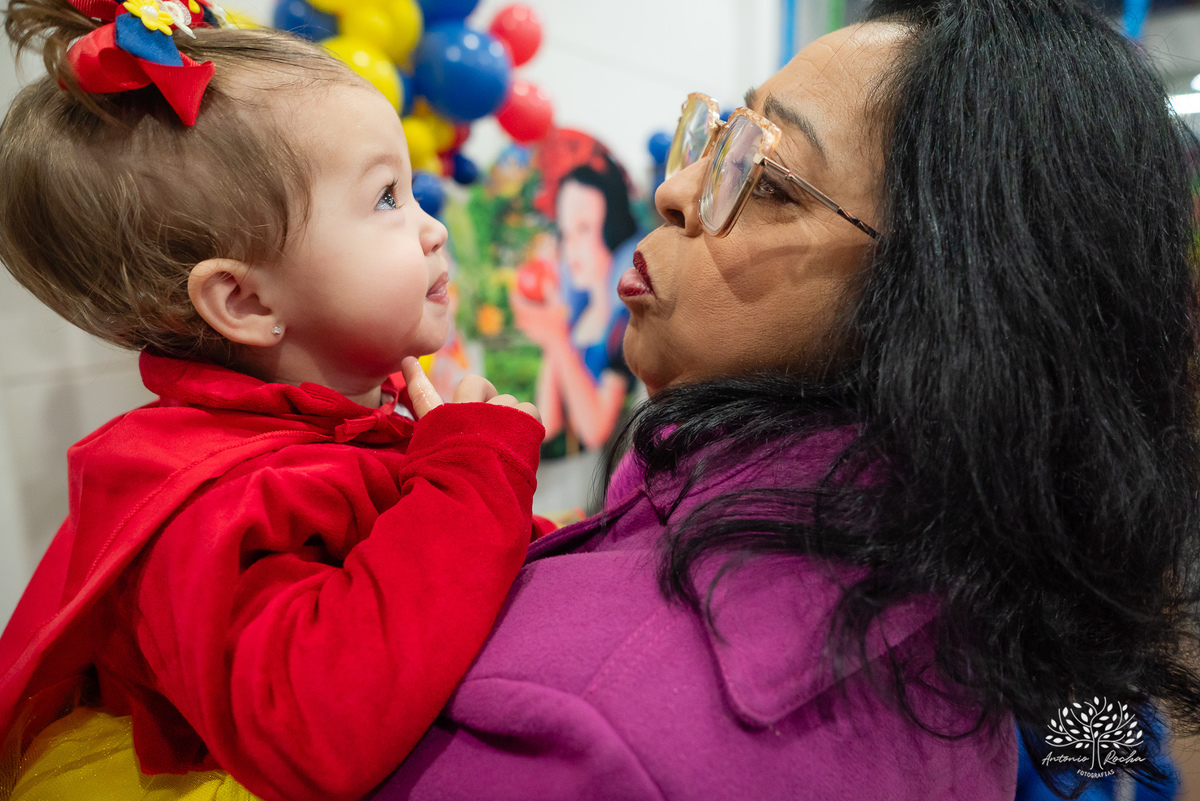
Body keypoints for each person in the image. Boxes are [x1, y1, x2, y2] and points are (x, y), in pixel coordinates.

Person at [376, 1, 1200, 798]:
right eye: (724, 135)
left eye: (765, 181)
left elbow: (1112, 757)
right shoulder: (947, 618)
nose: (675, 190)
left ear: (944, 303)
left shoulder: (588, 726)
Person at [0, 1, 547, 799]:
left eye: (413, 189)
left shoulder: (352, 410)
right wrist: (475, 477)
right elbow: (314, 728)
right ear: (247, 303)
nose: (433, 230)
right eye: (386, 199)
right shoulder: (223, 505)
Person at [511, 153, 639, 452]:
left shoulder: (625, 324)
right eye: (566, 234)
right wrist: (551, 333)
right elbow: (547, 421)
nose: (572, 250)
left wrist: (556, 338)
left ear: (612, 228)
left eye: (584, 229)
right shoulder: (576, 317)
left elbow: (594, 431)